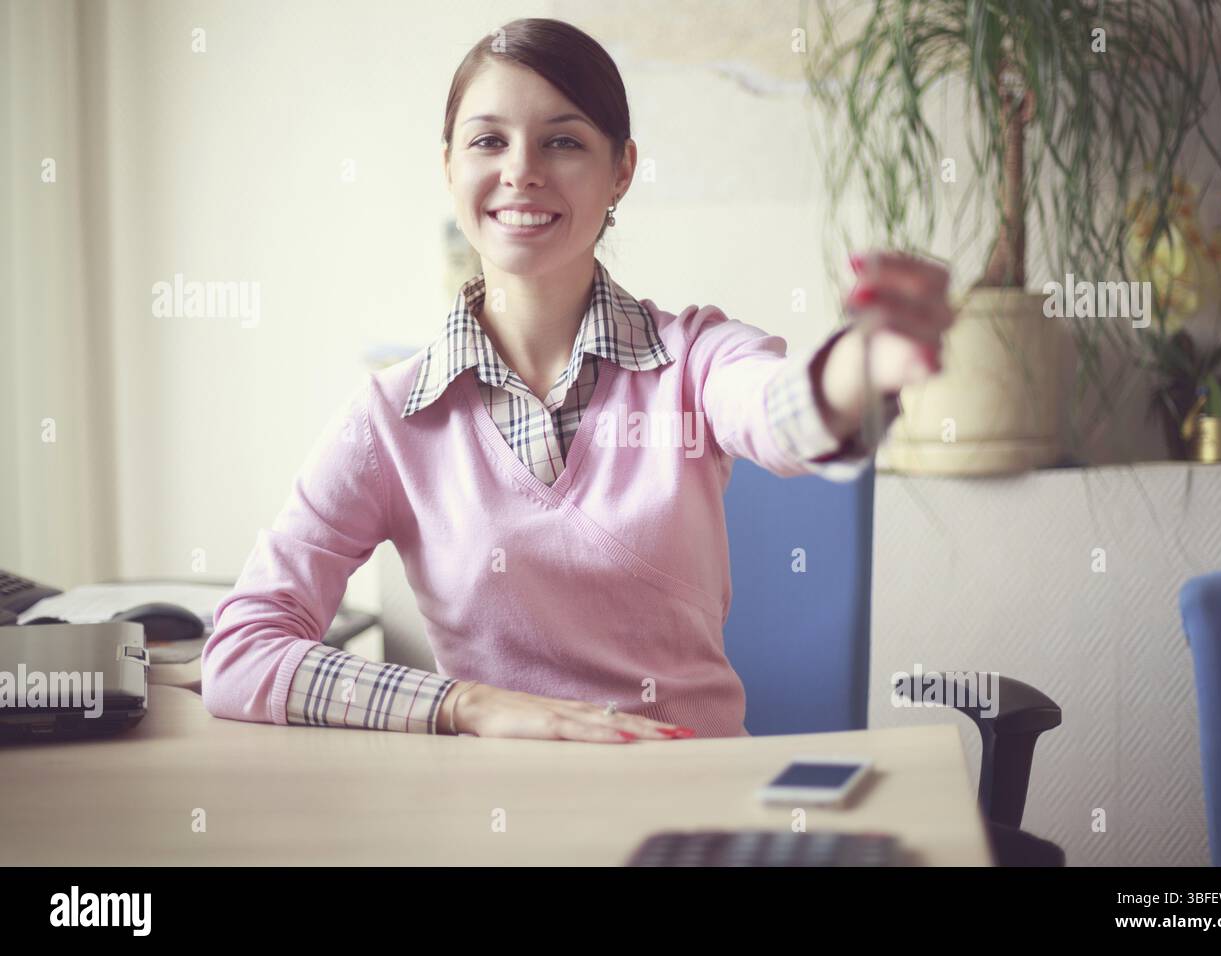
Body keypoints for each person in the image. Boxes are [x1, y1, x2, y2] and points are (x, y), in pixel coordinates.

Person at [201, 17, 952, 744]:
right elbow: (240, 654)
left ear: (622, 169)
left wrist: (861, 366)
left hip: (689, 801)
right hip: (506, 823)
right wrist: (465, 705)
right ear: (448, 168)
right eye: (489, 141)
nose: (521, 170)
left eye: (563, 141)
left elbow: (779, 409)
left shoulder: (692, 360)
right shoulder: (389, 422)